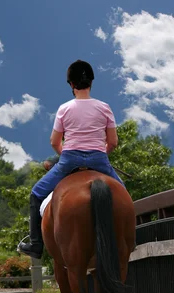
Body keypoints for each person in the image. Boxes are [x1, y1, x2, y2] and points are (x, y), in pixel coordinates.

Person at [18, 59, 125, 259]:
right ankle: (130, 238)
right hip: (99, 159)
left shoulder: (64, 109)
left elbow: (54, 141)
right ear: (91, 83)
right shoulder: (104, 108)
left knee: (36, 194)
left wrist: (65, 154)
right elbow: (113, 142)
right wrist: (99, 154)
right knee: (123, 193)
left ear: (71, 85)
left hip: (69, 160)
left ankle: (35, 245)